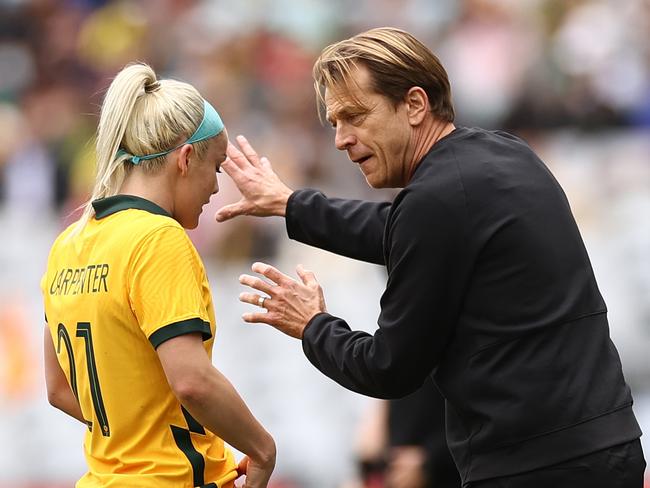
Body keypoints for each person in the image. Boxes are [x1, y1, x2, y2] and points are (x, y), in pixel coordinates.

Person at [214, 27, 646, 487]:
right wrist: (290, 204)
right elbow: (405, 230)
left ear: (415, 104)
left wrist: (313, 325)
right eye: (335, 123)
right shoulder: (507, 154)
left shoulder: (435, 200)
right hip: (610, 447)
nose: (341, 139)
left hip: (533, 469)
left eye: (355, 116)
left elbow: (388, 368)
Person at [42, 63, 275, 488]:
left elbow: (58, 389)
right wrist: (262, 450)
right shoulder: (157, 238)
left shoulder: (68, 244)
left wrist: (134, 427)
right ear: (186, 158)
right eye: (217, 167)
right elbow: (190, 381)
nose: (215, 187)